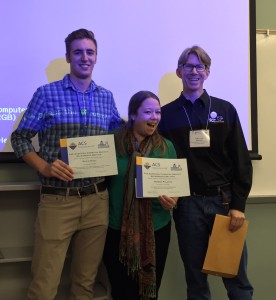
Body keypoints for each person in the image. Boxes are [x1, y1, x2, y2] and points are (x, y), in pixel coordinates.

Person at [11, 28, 122, 300]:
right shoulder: (46, 94)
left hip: (97, 201)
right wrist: (44, 167)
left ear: (96, 57)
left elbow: (119, 136)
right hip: (58, 201)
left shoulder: (106, 97)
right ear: (68, 57)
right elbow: (21, 138)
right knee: (44, 285)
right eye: (78, 52)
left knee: (85, 285)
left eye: (90, 52)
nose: (85, 57)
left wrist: (148, 119)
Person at [158, 45, 253, 300]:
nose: (194, 71)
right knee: (196, 279)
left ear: (207, 73)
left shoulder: (225, 110)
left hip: (224, 204)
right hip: (187, 205)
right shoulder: (165, 115)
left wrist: (238, 205)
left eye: (200, 66)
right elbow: (158, 161)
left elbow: (242, 161)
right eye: (188, 66)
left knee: (236, 278)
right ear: (179, 72)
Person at [103, 90, 178, 300]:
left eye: (157, 112)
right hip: (116, 230)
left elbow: (175, 187)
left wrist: (172, 200)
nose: (154, 117)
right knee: (122, 292)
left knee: (149, 292)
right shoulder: (112, 143)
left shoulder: (166, 147)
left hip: (157, 229)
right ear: (133, 115)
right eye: (148, 112)